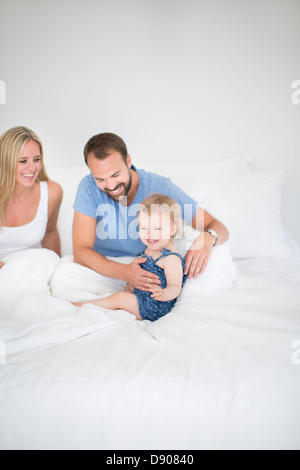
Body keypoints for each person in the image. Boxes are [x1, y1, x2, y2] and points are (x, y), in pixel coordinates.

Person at [73, 132, 229, 292]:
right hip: (104, 266)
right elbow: (80, 251)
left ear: (128, 160)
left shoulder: (160, 187)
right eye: (100, 179)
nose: (111, 185)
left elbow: (216, 226)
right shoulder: (88, 187)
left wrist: (207, 238)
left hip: (146, 265)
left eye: (115, 175)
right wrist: (124, 272)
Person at [73, 194, 188, 321]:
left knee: (120, 298)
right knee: (123, 295)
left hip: (154, 306)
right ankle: (113, 303)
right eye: (144, 228)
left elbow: (175, 287)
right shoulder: (151, 248)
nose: (150, 234)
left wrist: (163, 293)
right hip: (141, 296)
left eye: (158, 228)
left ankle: (82, 306)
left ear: (172, 229)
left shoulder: (171, 258)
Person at [0, 126, 63, 268]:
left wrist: (58, 270)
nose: (32, 168)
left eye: (36, 159)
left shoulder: (52, 192)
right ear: (5, 162)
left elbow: (50, 232)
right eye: (23, 161)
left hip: (32, 270)